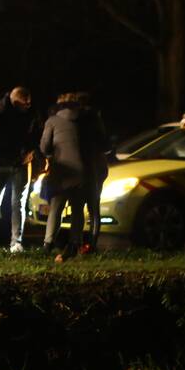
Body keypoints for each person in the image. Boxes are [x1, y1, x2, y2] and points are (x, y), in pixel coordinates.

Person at [0, 86, 36, 252]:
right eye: (25, 104)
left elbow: (34, 132)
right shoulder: (0, 112)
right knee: (11, 203)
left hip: (11, 162)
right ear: (16, 101)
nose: (28, 106)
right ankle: (6, 242)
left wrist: (29, 150)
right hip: (7, 161)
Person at [40, 94, 86, 260]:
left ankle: (48, 243)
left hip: (62, 171)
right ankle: (75, 243)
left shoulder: (52, 121)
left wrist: (52, 154)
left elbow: (44, 147)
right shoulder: (83, 121)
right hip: (81, 170)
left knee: (56, 207)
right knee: (77, 210)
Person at [76, 91, 109, 252]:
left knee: (79, 206)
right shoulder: (97, 119)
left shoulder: (77, 120)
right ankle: (92, 243)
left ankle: (79, 242)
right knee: (93, 206)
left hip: (84, 166)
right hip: (97, 166)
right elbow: (106, 144)